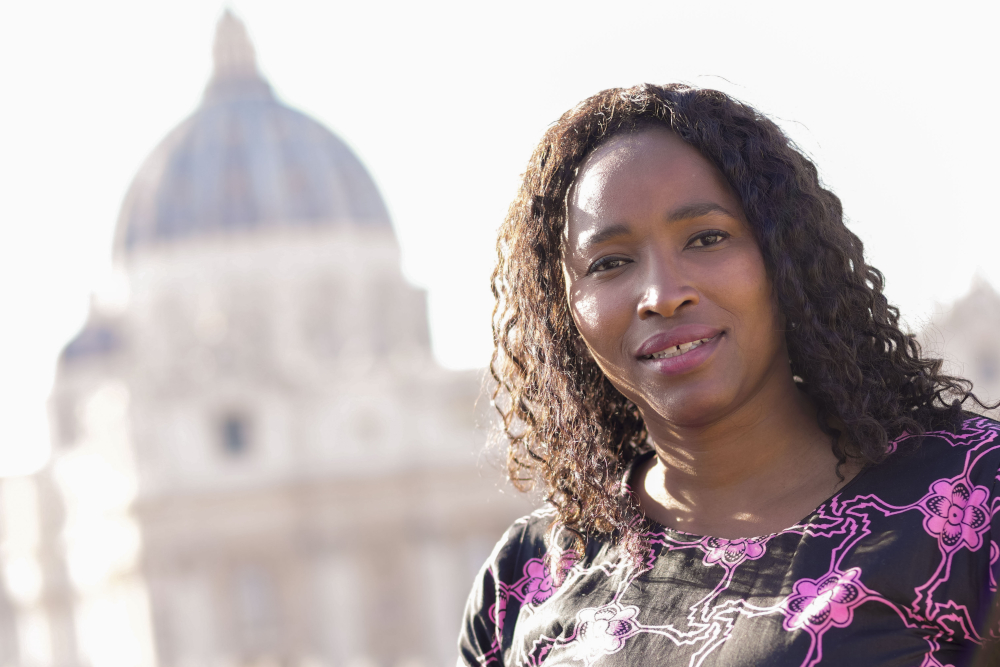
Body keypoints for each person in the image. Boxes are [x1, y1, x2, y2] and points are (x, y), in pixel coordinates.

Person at [458, 83, 1000, 667]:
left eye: (707, 239)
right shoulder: (523, 579)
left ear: (783, 256)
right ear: (565, 311)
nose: (662, 296)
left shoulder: (975, 498)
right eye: (610, 263)